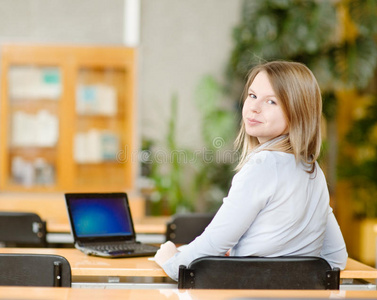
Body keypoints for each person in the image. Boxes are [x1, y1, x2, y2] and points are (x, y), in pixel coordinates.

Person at [154, 60, 348, 281]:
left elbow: (214, 244)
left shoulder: (262, 166)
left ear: (298, 113)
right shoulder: (313, 172)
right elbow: (336, 257)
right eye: (253, 96)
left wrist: (171, 261)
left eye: (271, 102)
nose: (254, 107)